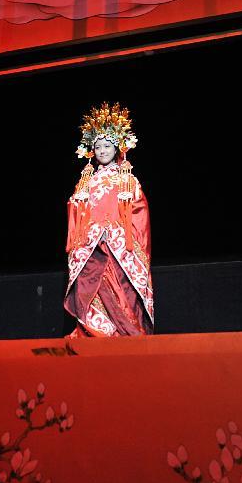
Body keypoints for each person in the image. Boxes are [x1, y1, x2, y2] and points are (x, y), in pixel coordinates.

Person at [64, 102, 154, 337]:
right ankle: (94, 333)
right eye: (98, 147)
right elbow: (75, 210)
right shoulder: (87, 181)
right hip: (90, 246)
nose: (103, 151)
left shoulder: (127, 180)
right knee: (89, 286)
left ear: (117, 148)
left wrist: (114, 231)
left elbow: (138, 210)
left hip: (118, 246)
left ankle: (124, 333)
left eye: (107, 146)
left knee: (122, 289)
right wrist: (89, 229)